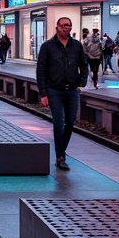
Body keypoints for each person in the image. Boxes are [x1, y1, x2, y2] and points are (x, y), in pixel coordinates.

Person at [36, 17, 88, 171]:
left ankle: (61, 151)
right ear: (57, 27)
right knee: (59, 123)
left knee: (70, 123)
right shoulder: (47, 46)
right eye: (63, 25)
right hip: (54, 90)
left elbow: (84, 65)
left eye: (69, 25)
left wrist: (81, 82)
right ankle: (60, 156)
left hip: (72, 90)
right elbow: (41, 70)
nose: (66, 28)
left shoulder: (76, 46)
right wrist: (43, 93)